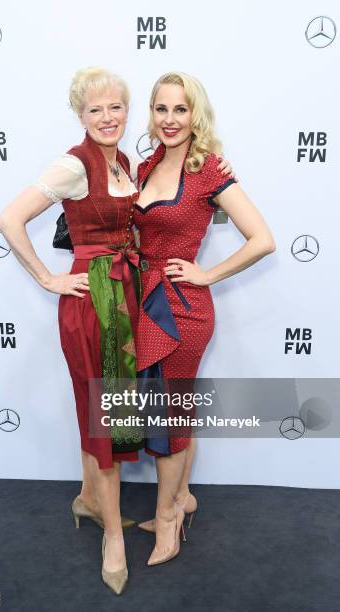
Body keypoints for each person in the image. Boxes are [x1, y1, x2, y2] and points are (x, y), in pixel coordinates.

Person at [0, 66, 234, 595]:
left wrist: (213, 173)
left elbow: (187, 199)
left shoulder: (129, 162)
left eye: (116, 107)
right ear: (80, 115)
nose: (107, 118)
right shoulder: (74, 164)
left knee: (115, 408)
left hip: (127, 297)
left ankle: (89, 496)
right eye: (95, 109)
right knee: (104, 410)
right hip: (93, 299)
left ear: (129, 113)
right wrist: (49, 278)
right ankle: (113, 541)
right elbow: (10, 219)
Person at [133, 72, 275, 566]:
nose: (169, 119)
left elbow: (262, 239)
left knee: (171, 416)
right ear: (150, 114)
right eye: (161, 109)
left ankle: (169, 520)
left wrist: (207, 273)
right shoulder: (144, 166)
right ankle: (183, 497)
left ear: (196, 114)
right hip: (143, 304)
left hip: (181, 311)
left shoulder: (210, 170)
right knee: (170, 412)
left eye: (180, 109)